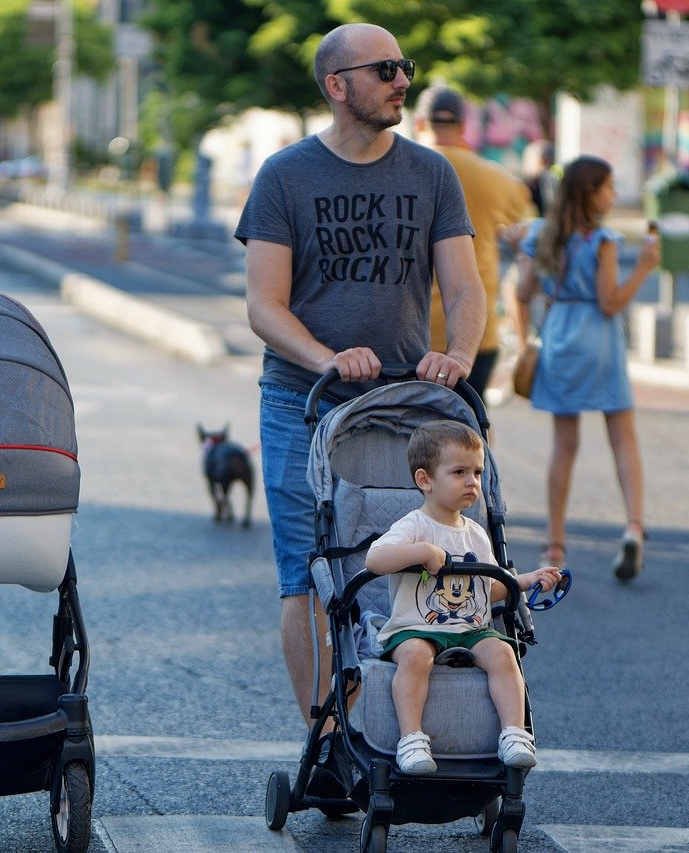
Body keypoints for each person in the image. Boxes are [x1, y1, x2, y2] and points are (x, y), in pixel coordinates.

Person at [234, 22, 485, 778]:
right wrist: (327, 358)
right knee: (308, 573)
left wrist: (458, 355)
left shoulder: (432, 173)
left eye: (405, 66)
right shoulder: (284, 176)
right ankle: (331, 744)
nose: (403, 79)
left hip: (407, 409)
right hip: (302, 404)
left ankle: (406, 724)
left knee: (413, 561)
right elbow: (264, 305)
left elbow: (465, 288)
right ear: (337, 86)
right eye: (385, 69)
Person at [364, 421, 562, 774]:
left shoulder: (476, 534)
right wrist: (422, 551)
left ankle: (514, 733)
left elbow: (487, 589)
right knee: (415, 655)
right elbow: (374, 560)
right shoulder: (414, 526)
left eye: (477, 472)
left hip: (469, 628)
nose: (472, 481)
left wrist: (525, 580)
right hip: (416, 627)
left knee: (503, 652)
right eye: (459, 472)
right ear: (425, 480)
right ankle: (411, 738)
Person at [513, 156, 661, 580]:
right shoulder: (603, 241)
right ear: (590, 193)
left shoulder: (542, 235)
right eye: (609, 187)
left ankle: (554, 544)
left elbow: (523, 292)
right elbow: (610, 301)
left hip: (560, 336)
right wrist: (644, 267)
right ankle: (633, 527)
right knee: (623, 438)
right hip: (599, 341)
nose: (614, 195)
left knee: (564, 445)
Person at [424, 88, 531, 401]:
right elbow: (525, 226)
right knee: (471, 421)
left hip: (411, 331)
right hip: (475, 330)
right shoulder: (496, 178)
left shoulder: (399, 173)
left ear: (420, 122)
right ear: (463, 125)